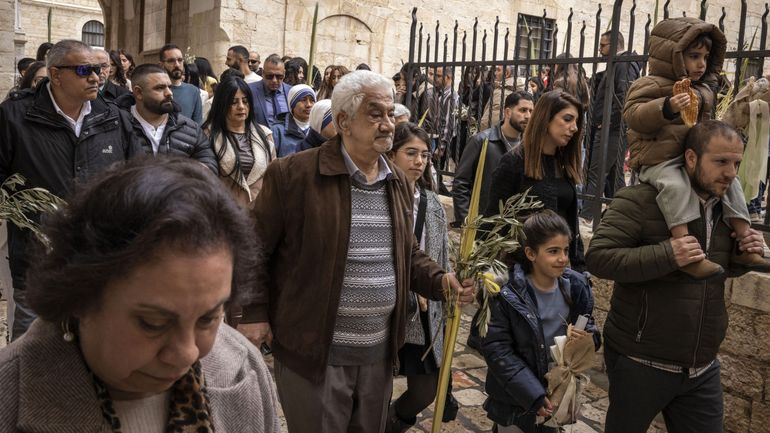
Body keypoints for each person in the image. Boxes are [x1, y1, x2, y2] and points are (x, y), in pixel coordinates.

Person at [237, 70, 475, 433]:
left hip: (378, 352)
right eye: (375, 114)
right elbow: (253, 247)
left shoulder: (396, 181)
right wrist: (254, 312)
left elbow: (407, 254)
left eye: (391, 114)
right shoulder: (294, 174)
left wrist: (442, 281)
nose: (388, 124)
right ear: (344, 121)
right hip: (314, 352)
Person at [0, 157, 281, 432]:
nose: (187, 353)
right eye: (153, 324)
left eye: (208, 319)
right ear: (80, 297)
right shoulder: (8, 401)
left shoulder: (245, 368)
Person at [586, 120, 769, 433]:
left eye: (736, 163)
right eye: (721, 162)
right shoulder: (640, 199)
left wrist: (743, 254)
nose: (731, 173)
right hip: (640, 361)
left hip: (702, 366)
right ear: (691, 158)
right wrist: (668, 254)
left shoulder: (727, 209)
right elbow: (599, 258)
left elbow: (720, 269)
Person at [0, 39, 142, 340]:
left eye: (98, 69)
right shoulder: (14, 117)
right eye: (84, 70)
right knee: (33, 345)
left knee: (97, 343)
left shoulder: (114, 117)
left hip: (100, 258)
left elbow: (135, 179)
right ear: (55, 74)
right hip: (39, 261)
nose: (95, 77)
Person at [624, 17, 769, 279]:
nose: (701, 64)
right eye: (693, 56)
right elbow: (634, 116)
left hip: (693, 158)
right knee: (676, 186)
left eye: (705, 57)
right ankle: (685, 249)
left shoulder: (702, 90)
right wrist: (666, 107)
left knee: (731, 181)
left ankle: (744, 241)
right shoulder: (649, 84)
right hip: (658, 159)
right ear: (673, 55)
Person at [482, 210, 600, 433]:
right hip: (515, 398)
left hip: (555, 390)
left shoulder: (576, 287)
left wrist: (588, 339)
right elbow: (498, 350)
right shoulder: (507, 293)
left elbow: (590, 326)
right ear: (531, 253)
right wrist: (532, 394)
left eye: (566, 250)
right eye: (553, 251)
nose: (563, 258)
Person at [384, 122, 457, 432]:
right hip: (388, 306)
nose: (419, 161)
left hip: (424, 308)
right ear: (391, 155)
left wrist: (445, 288)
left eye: (425, 155)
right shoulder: (380, 197)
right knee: (377, 386)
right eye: (411, 153)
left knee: (425, 389)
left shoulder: (432, 203)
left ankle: (391, 423)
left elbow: (440, 254)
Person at [484, 90, 586, 272]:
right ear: (546, 119)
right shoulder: (514, 162)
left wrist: (580, 268)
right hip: (522, 272)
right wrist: (484, 270)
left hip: (559, 270)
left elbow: (571, 222)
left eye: (576, 122)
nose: (574, 128)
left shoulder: (564, 164)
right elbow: (493, 220)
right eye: (567, 119)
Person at [581, 31, 641, 222]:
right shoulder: (618, 64)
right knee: (615, 176)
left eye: (603, 45)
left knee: (597, 173)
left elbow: (623, 98)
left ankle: (586, 216)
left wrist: (606, 122)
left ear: (614, 44)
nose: (600, 50)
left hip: (611, 130)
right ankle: (622, 214)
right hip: (612, 129)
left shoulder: (624, 64)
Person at [115, 64, 217, 173]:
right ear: (139, 92)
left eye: (169, 87)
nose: (169, 93)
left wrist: (183, 173)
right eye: (160, 88)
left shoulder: (190, 129)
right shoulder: (117, 128)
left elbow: (209, 165)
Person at [453, 91, 534, 225]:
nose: (528, 116)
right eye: (523, 110)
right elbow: (461, 183)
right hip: (482, 224)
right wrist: (466, 222)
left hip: (514, 225)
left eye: (531, 111)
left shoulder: (529, 147)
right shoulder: (482, 141)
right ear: (508, 112)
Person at [205, 76, 275, 208]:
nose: (241, 107)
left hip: (260, 211)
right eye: (234, 102)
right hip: (225, 211)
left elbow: (272, 177)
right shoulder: (208, 135)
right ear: (222, 104)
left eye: (245, 101)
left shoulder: (265, 135)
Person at [159, 43, 203, 125]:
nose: (177, 65)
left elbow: (198, 125)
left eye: (180, 60)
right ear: (161, 65)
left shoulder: (193, 91)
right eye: (171, 61)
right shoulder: (155, 90)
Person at [248, 54, 292, 127]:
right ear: (263, 73)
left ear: (284, 74)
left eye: (279, 76)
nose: (274, 80)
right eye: (269, 76)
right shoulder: (250, 90)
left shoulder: (291, 91)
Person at [272, 84, 315, 157]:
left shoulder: (319, 129)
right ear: (292, 105)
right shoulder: (277, 131)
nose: (308, 105)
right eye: (303, 100)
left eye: (312, 100)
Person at [480, 65, 518, 130]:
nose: (495, 73)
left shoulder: (502, 92)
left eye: (498, 70)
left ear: (506, 74)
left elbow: (492, 119)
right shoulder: (511, 88)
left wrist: (482, 131)